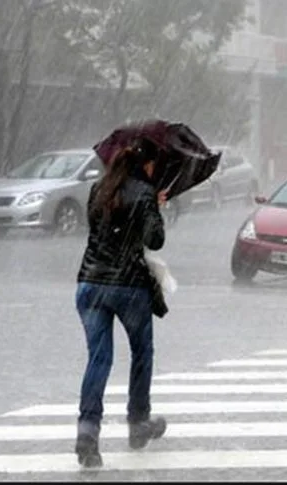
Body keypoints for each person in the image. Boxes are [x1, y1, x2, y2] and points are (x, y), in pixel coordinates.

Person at [74, 137, 169, 468]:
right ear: (147, 165)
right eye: (154, 165)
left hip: (89, 284)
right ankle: (138, 423)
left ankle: (87, 434)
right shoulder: (144, 193)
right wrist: (154, 206)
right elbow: (154, 239)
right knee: (142, 353)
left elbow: (99, 231)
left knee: (98, 360)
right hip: (128, 287)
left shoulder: (98, 189)